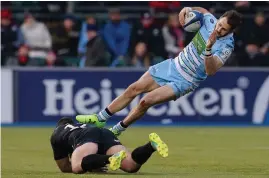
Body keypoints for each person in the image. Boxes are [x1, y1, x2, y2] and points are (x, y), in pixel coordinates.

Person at [76, 7, 242, 136]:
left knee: (145, 101)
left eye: (223, 29)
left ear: (230, 31)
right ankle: (100, 118)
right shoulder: (211, 21)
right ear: (219, 19)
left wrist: (208, 48)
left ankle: (117, 130)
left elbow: (211, 71)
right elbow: (203, 11)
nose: (218, 29)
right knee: (134, 88)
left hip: (186, 80)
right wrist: (187, 9)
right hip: (173, 65)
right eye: (220, 24)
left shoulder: (227, 46)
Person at [50, 117, 168, 174]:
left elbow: (64, 167)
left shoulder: (57, 134)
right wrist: (95, 163)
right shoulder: (79, 125)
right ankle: (151, 146)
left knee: (77, 167)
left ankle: (110, 159)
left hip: (85, 136)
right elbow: (91, 153)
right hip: (104, 132)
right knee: (131, 166)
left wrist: (89, 165)